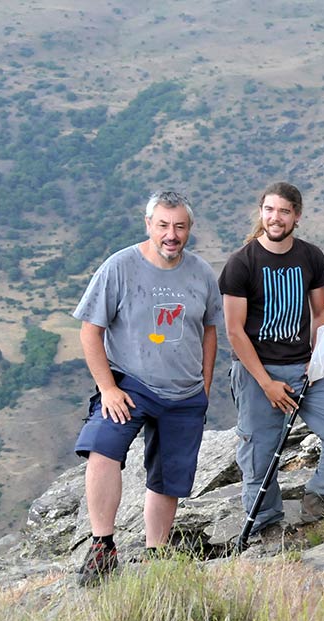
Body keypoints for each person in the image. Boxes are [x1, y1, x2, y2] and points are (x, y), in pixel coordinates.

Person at [72, 190, 222, 584]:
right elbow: (90, 331)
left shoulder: (202, 273)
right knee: (102, 445)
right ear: (148, 225)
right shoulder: (119, 267)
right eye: (163, 226)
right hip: (131, 384)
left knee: (168, 476)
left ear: (189, 229)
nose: (171, 234)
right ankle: (102, 546)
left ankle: (156, 554)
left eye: (180, 227)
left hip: (185, 391)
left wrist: (204, 388)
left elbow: (209, 330)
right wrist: (107, 388)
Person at [220, 182, 324, 528]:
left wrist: (317, 358)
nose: (275, 217)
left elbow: (319, 315)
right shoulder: (241, 263)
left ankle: (320, 498)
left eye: (284, 211)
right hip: (257, 373)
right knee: (259, 456)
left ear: (297, 216)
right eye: (269, 210)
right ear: (261, 212)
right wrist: (266, 383)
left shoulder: (310, 257)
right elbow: (235, 331)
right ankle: (266, 525)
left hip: (303, 368)